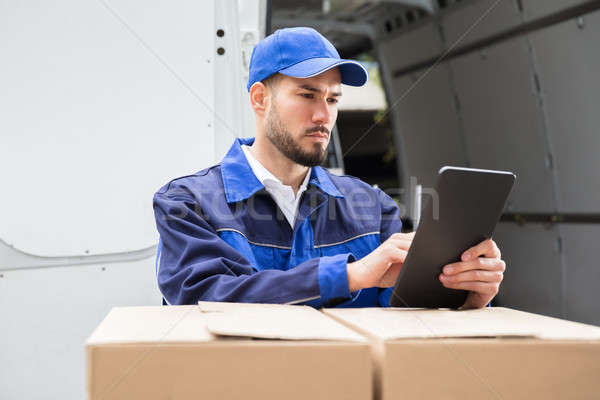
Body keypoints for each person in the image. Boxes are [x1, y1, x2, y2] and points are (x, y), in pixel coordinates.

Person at [153, 27, 506, 308]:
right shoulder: (187, 204)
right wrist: (351, 275)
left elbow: (405, 315)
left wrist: (464, 296)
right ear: (260, 99)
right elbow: (203, 299)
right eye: (307, 95)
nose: (324, 116)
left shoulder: (375, 209)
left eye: (332, 99)